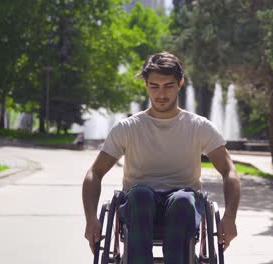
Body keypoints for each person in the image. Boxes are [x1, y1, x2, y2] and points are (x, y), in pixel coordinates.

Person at [82, 51, 241, 264]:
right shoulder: (128, 128)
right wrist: (91, 219)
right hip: (138, 206)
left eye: (168, 85)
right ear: (146, 85)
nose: (161, 94)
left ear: (180, 83)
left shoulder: (199, 126)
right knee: (140, 195)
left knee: (183, 200)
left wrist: (230, 217)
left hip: (183, 205)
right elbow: (96, 171)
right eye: (154, 86)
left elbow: (229, 170)